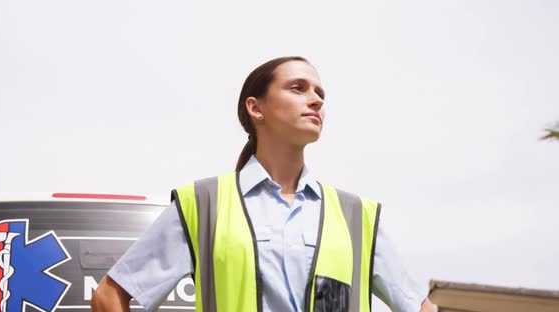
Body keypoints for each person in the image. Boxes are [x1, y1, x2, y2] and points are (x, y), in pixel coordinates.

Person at [91, 56, 436, 312]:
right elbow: (109, 296)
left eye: (320, 93)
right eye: (298, 88)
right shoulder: (203, 204)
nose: (316, 100)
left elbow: (420, 306)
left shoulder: (357, 217)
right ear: (256, 108)